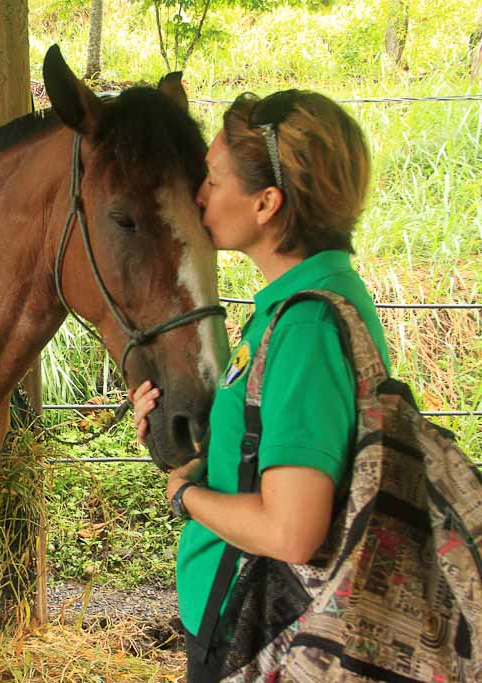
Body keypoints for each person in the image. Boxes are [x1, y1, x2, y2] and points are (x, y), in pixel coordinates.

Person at [130, 90, 390, 682]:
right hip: (251, 615)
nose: (198, 195)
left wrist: (184, 498)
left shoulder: (305, 327)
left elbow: (291, 531)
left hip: (261, 630)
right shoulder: (298, 305)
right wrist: (177, 446)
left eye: (214, 181)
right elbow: (259, 455)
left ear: (267, 202)